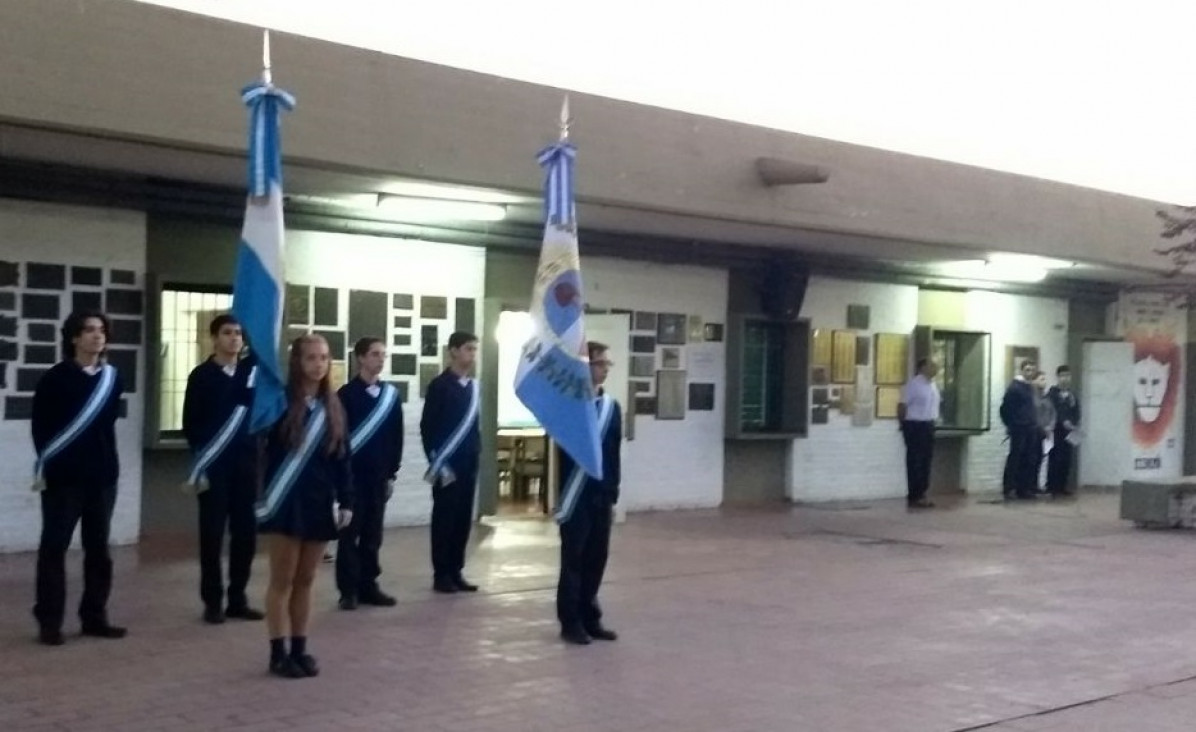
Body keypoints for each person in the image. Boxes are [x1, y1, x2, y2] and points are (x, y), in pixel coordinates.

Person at [257, 335, 354, 679]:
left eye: (324, 358)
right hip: (286, 501)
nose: (318, 364)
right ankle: (277, 651)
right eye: (311, 357)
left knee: (307, 579)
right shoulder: (279, 402)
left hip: (318, 501)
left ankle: (300, 647)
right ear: (297, 361)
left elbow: (342, 456)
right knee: (281, 580)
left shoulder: (333, 405)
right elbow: (261, 448)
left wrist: (346, 499)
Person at [31, 310, 127, 646]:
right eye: (88, 330)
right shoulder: (55, 379)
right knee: (54, 549)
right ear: (74, 337)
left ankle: (94, 617)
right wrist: (53, 468)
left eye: (101, 331)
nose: (96, 336)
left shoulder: (112, 379)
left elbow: (109, 423)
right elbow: (41, 429)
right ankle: (49, 621)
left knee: (98, 550)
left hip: (101, 478)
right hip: (64, 480)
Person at [182, 314, 264, 625]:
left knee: (246, 535)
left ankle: (238, 598)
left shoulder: (250, 373)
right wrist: (204, 455)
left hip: (246, 467)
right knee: (212, 535)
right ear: (215, 338)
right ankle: (212, 601)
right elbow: (191, 423)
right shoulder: (201, 375)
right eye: (227, 333)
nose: (234, 338)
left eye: (239, 333)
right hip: (214, 468)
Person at [556, 341, 623, 645]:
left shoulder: (612, 408)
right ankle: (570, 621)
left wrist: (613, 490)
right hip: (576, 495)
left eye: (608, 364)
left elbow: (614, 453)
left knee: (597, 557)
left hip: (601, 494)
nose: (605, 369)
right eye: (600, 363)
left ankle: (590, 616)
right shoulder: (569, 405)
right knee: (574, 559)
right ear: (586, 366)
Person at [336, 337, 403, 610]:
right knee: (349, 535)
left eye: (383, 355)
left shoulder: (390, 396)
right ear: (360, 358)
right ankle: (348, 590)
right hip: (353, 478)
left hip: (378, 477)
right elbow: (339, 439)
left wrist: (391, 474)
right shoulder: (345, 395)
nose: (380, 359)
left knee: (373, 534)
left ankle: (369, 585)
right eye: (375, 354)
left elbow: (396, 437)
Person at [420, 331, 481, 594]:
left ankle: (456, 570)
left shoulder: (474, 387)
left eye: (475, 349)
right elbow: (428, 427)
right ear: (453, 351)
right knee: (445, 519)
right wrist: (437, 462)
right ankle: (441, 573)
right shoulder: (439, 386)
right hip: (446, 465)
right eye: (468, 348)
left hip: (468, 464)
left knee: (462, 520)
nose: (472, 354)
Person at [897, 358, 941, 509]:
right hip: (915, 425)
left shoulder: (933, 385)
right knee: (915, 461)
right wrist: (903, 425)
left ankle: (923, 493)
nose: (935, 369)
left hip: (929, 424)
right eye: (931, 366)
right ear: (922, 368)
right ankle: (914, 494)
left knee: (926, 460)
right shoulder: (914, 385)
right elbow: (902, 405)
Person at [1000, 360, 1040, 500]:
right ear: (1022, 370)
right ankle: (1009, 487)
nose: (1030, 372)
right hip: (1019, 428)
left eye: (1032, 370)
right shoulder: (1015, 387)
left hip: (1030, 427)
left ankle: (1023, 488)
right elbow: (1005, 409)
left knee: (1028, 458)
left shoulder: (1030, 387)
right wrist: (1011, 424)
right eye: (1027, 369)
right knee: (1015, 457)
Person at [1046, 365, 1080, 497]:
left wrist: (1074, 423)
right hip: (1056, 431)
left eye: (1067, 375)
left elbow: (1077, 411)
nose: (1065, 379)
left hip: (1069, 432)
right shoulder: (1052, 394)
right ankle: (1052, 486)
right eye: (1062, 376)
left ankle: (1062, 486)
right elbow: (1052, 410)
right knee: (1055, 458)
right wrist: (1063, 421)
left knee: (1067, 459)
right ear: (1058, 377)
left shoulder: (1072, 395)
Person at [1032, 370, 1056, 494]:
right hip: (1034, 432)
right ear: (1034, 381)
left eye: (1045, 379)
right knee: (1032, 459)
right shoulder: (1031, 397)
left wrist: (1050, 426)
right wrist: (1041, 427)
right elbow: (1033, 415)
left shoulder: (1047, 398)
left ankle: (1036, 484)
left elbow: (1052, 413)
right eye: (1041, 379)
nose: (1044, 382)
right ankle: (1028, 485)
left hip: (1045, 433)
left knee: (1040, 459)